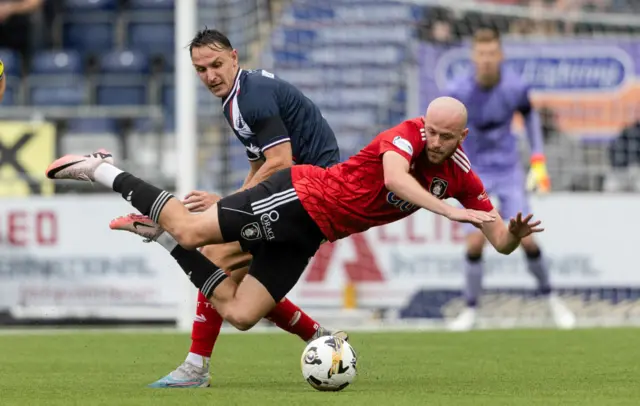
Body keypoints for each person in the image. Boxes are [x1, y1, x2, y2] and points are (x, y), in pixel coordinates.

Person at [45, 97, 543, 337]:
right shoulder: (407, 134)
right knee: (196, 228)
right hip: (303, 195)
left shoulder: (463, 178)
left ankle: (164, 240)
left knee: (240, 315)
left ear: (463, 137)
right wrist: (450, 214)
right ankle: (104, 170)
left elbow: (497, 237)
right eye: (431, 132)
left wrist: (511, 236)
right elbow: (395, 180)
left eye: (444, 137)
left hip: (314, 233)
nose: (433, 141)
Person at [151, 28, 348, 388]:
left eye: (217, 64)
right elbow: (262, 167)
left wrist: (227, 205)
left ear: (235, 57)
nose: (210, 76)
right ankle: (321, 337)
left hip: (309, 194)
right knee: (241, 290)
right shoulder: (238, 98)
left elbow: (281, 160)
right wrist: (233, 205)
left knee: (214, 257)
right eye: (201, 69)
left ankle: (196, 368)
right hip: (303, 195)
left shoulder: (251, 97)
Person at [444, 28, 575, 331]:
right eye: (481, 54)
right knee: (476, 243)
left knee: (526, 239)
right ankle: (471, 310)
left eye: (492, 54)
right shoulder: (458, 90)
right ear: (473, 57)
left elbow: (529, 117)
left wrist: (538, 158)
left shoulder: (515, 87)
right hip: (474, 173)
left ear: (500, 55)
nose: (487, 60)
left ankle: (551, 299)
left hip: (508, 171)